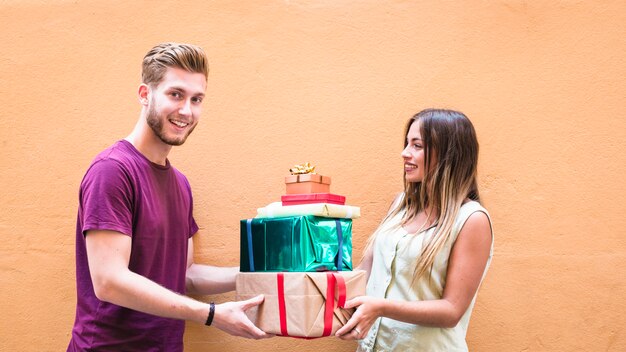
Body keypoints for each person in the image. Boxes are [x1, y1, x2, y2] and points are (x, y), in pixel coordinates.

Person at [67, 42, 270, 351]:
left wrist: (257, 273)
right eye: (175, 94)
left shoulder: (180, 184)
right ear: (145, 94)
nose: (186, 111)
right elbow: (109, 280)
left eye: (196, 99)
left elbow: (184, 275)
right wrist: (212, 315)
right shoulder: (112, 170)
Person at [336, 109, 494, 351]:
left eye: (417, 145)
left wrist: (380, 308)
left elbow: (451, 310)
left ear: (449, 154)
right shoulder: (400, 205)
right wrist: (309, 285)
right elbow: (364, 273)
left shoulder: (472, 219)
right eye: (407, 143)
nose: (404, 153)